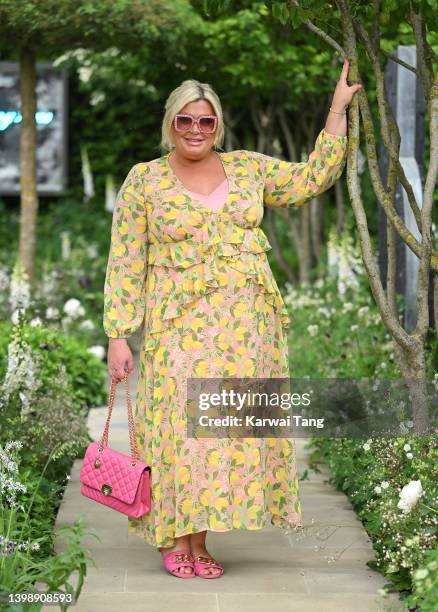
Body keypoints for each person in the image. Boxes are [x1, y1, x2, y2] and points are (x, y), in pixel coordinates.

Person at [103, 59, 362, 579]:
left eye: (205, 121)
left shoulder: (248, 167)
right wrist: (118, 335)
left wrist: (337, 109)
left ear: (217, 125)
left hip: (247, 330)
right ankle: (175, 538)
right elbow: (125, 258)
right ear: (170, 123)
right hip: (176, 327)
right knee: (177, 432)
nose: (195, 130)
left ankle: (200, 542)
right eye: (185, 120)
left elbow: (312, 178)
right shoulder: (144, 181)